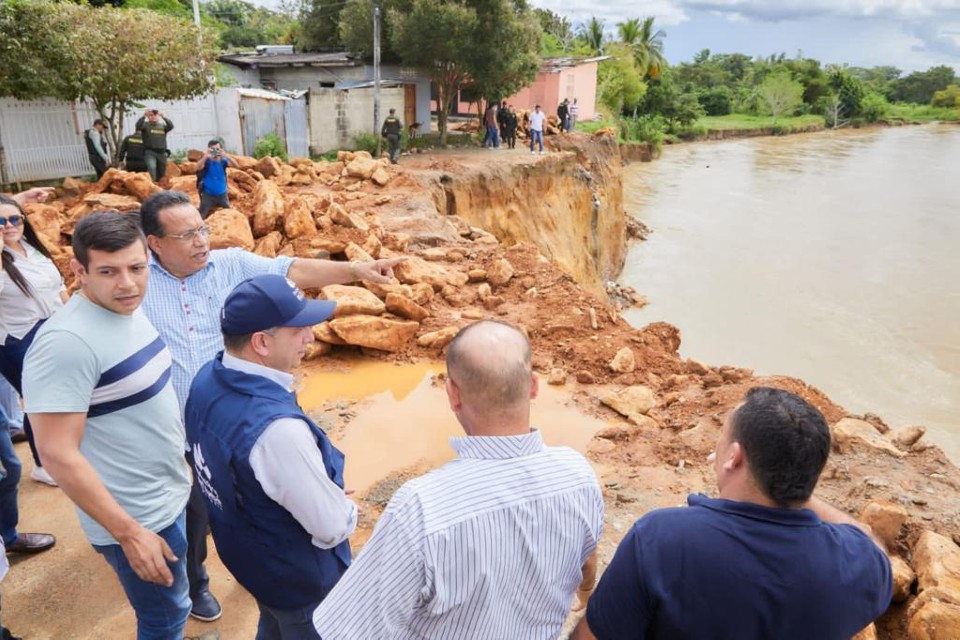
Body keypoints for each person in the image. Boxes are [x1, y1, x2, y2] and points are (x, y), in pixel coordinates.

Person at [138, 190, 404, 624]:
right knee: (195, 510)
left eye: (202, 228)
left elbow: (291, 269)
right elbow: (332, 525)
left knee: (232, 501)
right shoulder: (138, 281)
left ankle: (248, 575)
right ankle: (194, 583)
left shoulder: (228, 268)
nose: (201, 240)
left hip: (218, 406)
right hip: (180, 424)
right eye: (187, 234)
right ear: (156, 243)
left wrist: (358, 269)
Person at [314, 320, 604, 639]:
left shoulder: (421, 507)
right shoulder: (578, 474)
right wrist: (586, 593)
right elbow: (587, 560)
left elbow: (349, 632)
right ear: (534, 386)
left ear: (453, 394)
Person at [574, 387, 894, 640]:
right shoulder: (855, 565)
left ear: (733, 457)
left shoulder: (662, 540)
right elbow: (873, 548)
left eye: (723, 439)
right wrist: (795, 488)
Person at [24, 210, 193, 640]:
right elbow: (57, 453)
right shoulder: (66, 344)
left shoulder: (127, 309)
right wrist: (130, 534)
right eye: (108, 271)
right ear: (78, 270)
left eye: (137, 268)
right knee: (165, 617)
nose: (128, 283)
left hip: (169, 495)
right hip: (137, 517)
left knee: (177, 605)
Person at [186, 274, 356, 639]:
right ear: (261, 342)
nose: (310, 337)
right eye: (298, 329)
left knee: (274, 623)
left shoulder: (206, 379)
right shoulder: (277, 431)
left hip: (254, 561)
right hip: (301, 583)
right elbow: (330, 526)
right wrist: (338, 503)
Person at [0, 192, 68, 488]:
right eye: (0, 221)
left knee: (58, 397)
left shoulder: (33, 249)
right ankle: (42, 463)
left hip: (52, 330)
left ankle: (62, 452)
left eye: (15, 219)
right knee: (37, 401)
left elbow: (59, 287)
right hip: (17, 340)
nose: (9, 225)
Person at [196, 139, 237, 219]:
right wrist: (205, 156)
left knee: (229, 215)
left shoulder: (223, 161)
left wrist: (226, 155)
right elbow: (197, 167)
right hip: (208, 195)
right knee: (201, 216)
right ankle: (201, 231)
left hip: (222, 195)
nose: (215, 152)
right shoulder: (206, 161)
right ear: (208, 150)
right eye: (213, 150)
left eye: (217, 149)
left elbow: (237, 165)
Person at [136, 108, 174, 182]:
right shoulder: (145, 125)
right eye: (151, 115)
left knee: (162, 172)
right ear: (148, 117)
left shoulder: (162, 126)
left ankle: (161, 187)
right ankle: (152, 184)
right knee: (152, 167)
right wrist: (144, 116)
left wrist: (164, 117)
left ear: (158, 116)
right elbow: (138, 126)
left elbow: (171, 126)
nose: (153, 117)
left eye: (155, 115)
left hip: (162, 153)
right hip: (150, 152)